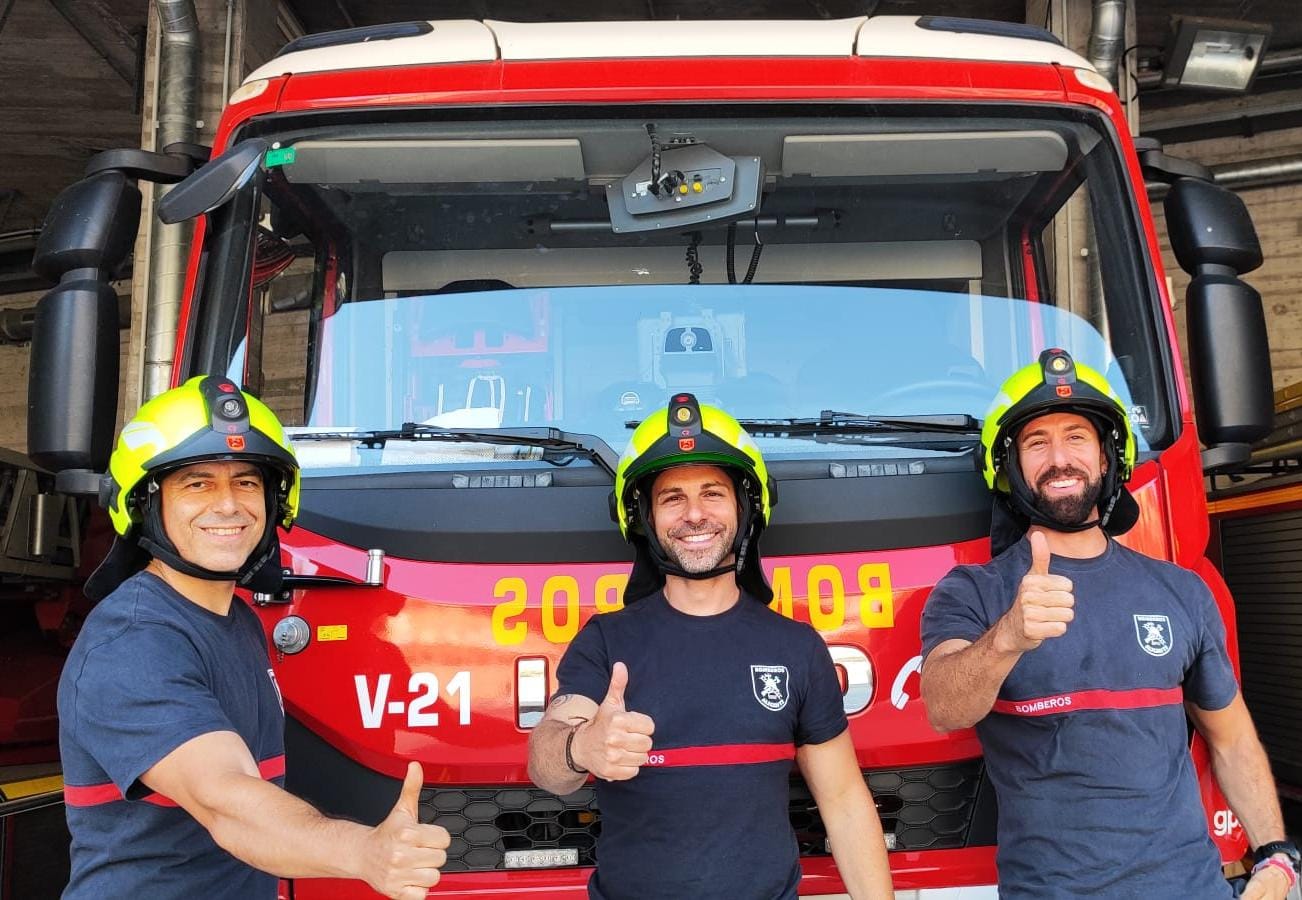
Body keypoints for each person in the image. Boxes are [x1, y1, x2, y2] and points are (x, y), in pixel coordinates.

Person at [920, 349, 1299, 899]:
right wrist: (1008, 638)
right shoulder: (974, 592)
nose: (1059, 457)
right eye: (1036, 442)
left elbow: (1232, 738)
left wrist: (1274, 855)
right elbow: (943, 705)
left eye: (1077, 436)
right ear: (1007, 469)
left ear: (1107, 457)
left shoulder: (1180, 591)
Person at [58, 376, 450, 900]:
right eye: (197, 483)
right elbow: (225, 797)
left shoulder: (233, 619)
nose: (228, 505)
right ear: (146, 505)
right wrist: (363, 852)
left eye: (246, 482)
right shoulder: (132, 644)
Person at [527, 393, 894, 899]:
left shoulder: (796, 647)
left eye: (713, 493)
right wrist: (580, 746)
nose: (695, 514)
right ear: (645, 519)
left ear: (746, 508)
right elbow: (546, 762)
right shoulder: (606, 641)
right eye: (672, 498)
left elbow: (845, 801)